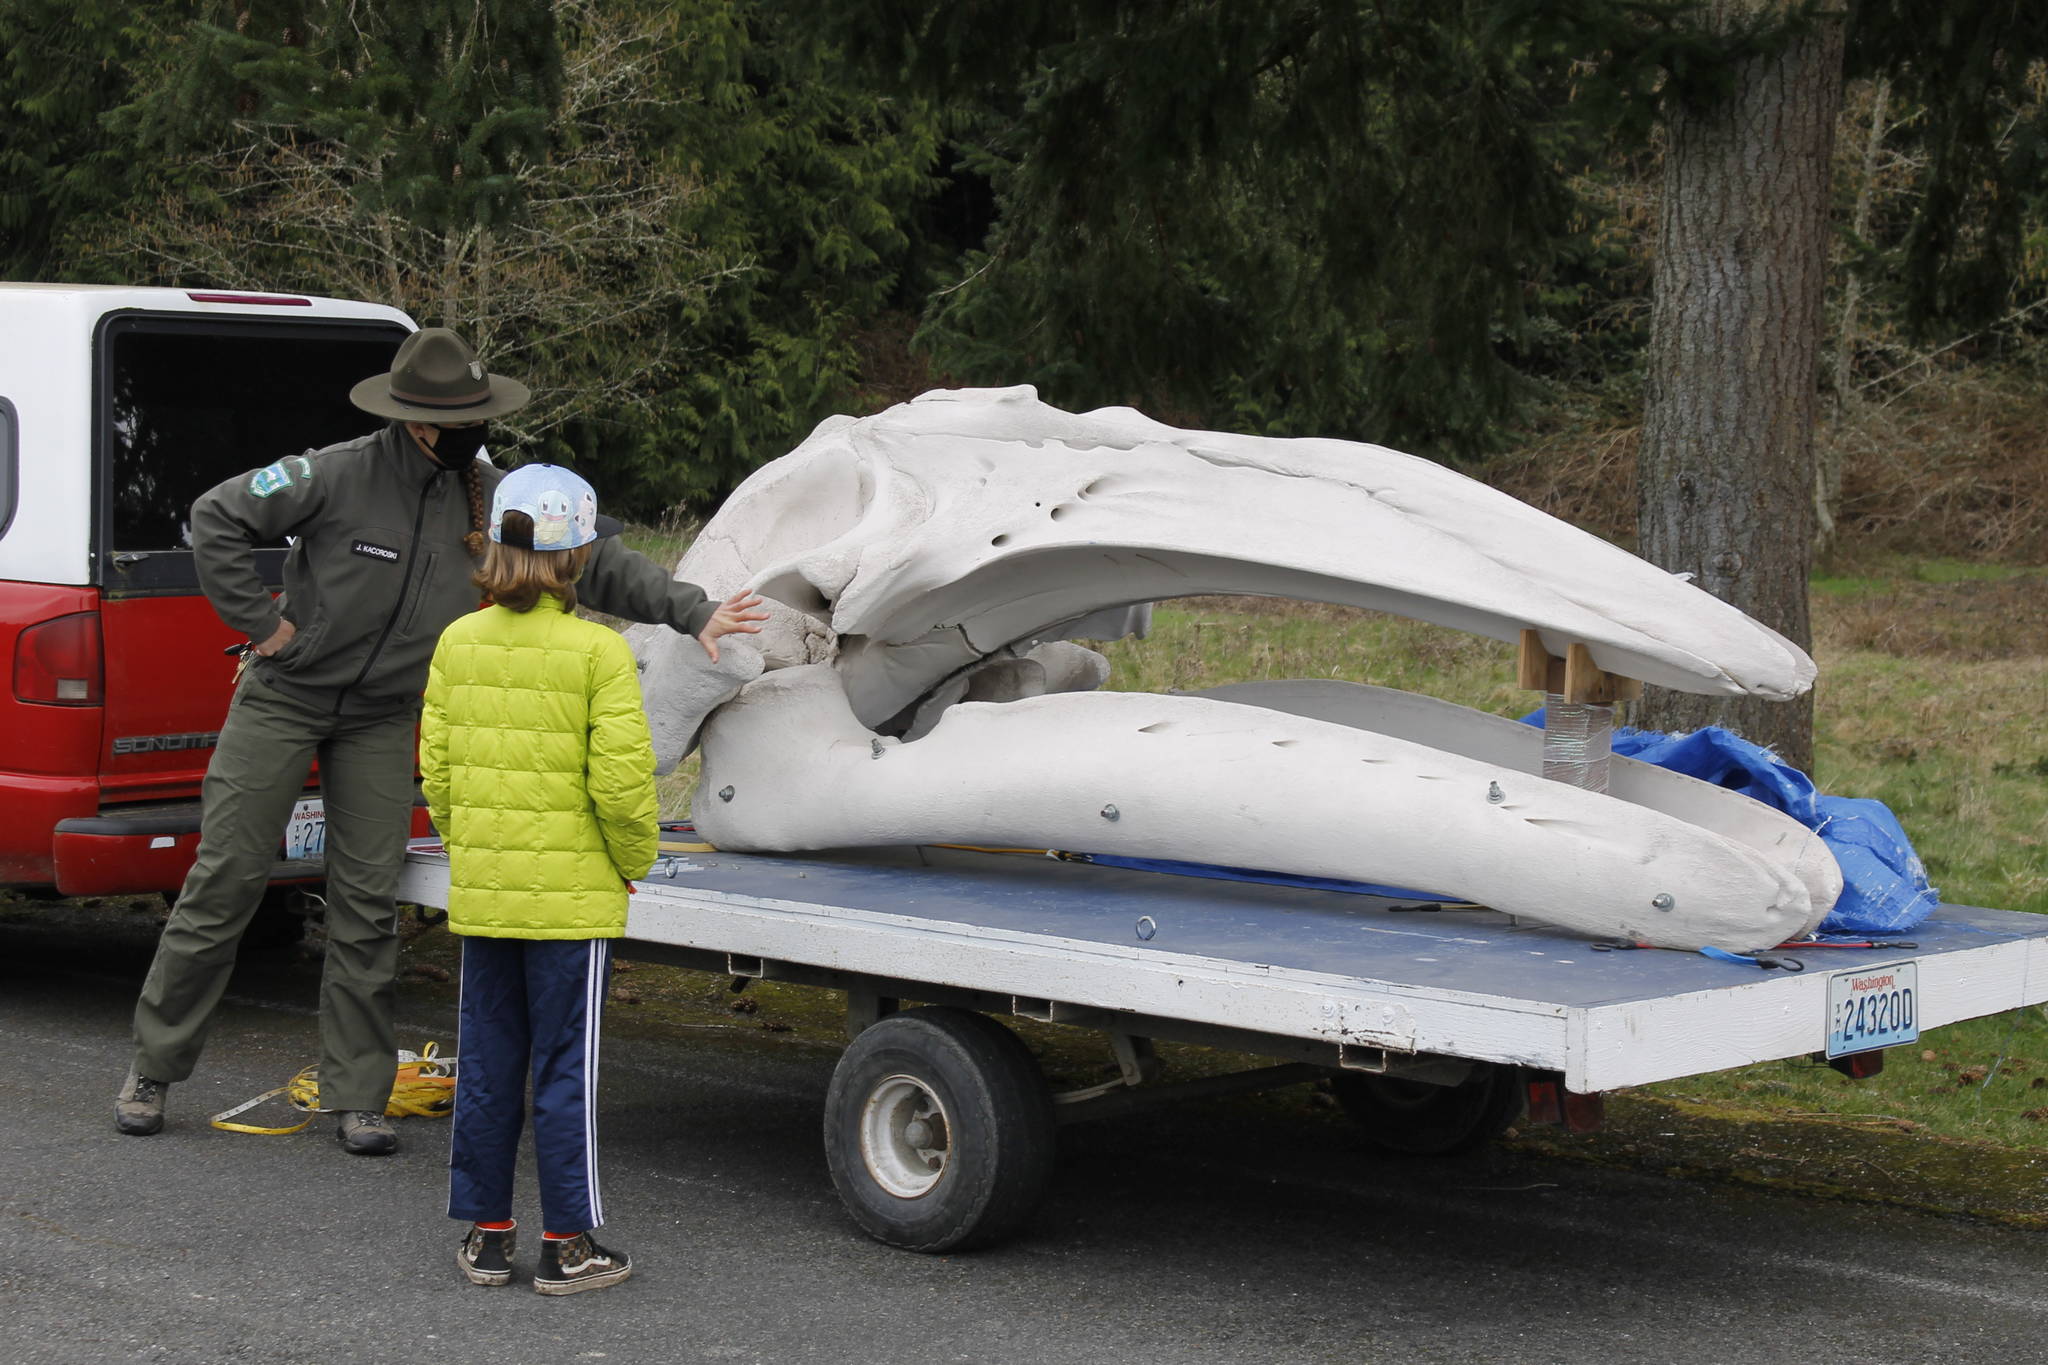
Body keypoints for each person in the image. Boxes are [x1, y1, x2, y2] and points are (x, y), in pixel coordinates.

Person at [115, 327, 764, 1154]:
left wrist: (695, 609)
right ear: (413, 419)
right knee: (228, 878)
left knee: (365, 902)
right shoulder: (335, 472)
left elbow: (592, 558)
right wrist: (264, 626)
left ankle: (356, 1094)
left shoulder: (488, 494)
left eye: (475, 416)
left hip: (384, 716)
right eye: (450, 419)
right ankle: (154, 1067)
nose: (466, 432)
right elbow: (216, 515)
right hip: (286, 697)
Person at [424, 463, 652, 1294]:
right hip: (572, 903)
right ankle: (567, 1243)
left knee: (487, 1062)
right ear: (578, 554)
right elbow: (621, 788)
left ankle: (488, 1235)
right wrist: (632, 864)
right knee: (566, 1068)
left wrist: (471, 847)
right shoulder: (602, 652)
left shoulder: (457, 641)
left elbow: (437, 772)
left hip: (485, 891)